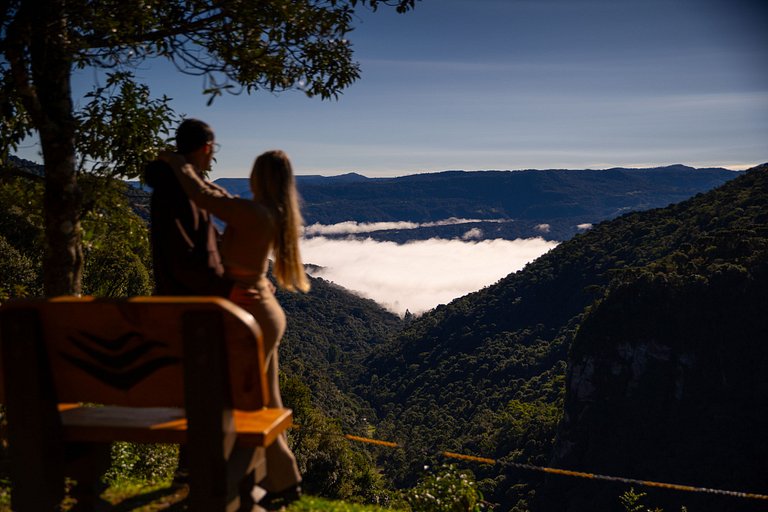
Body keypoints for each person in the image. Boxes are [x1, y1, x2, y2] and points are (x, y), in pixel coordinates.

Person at [159, 148, 308, 509]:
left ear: (258, 177)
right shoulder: (269, 212)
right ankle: (284, 480)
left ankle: (230, 485)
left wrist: (179, 163)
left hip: (247, 318)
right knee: (265, 402)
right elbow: (220, 198)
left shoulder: (253, 213)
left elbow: (204, 197)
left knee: (244, 407)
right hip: (262, 312)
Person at [144, 118, 257, 304]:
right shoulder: (176, 189)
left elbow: (204, 238)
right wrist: (225, 289)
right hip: (188, 304)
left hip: (194, 297)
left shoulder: (184, 187)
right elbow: (180, 255)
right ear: (207, 147)